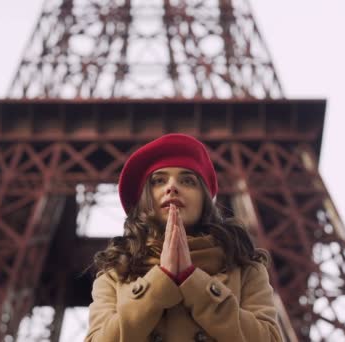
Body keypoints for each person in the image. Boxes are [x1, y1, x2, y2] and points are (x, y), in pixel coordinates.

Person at [85, 133, 282, 342]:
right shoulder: (114, 275)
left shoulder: (246, 269)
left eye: (188, 180)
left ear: (204, 200)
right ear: (144, 200)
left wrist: (193, 280)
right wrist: (160, 281)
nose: (172, 187)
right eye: (158, 180)